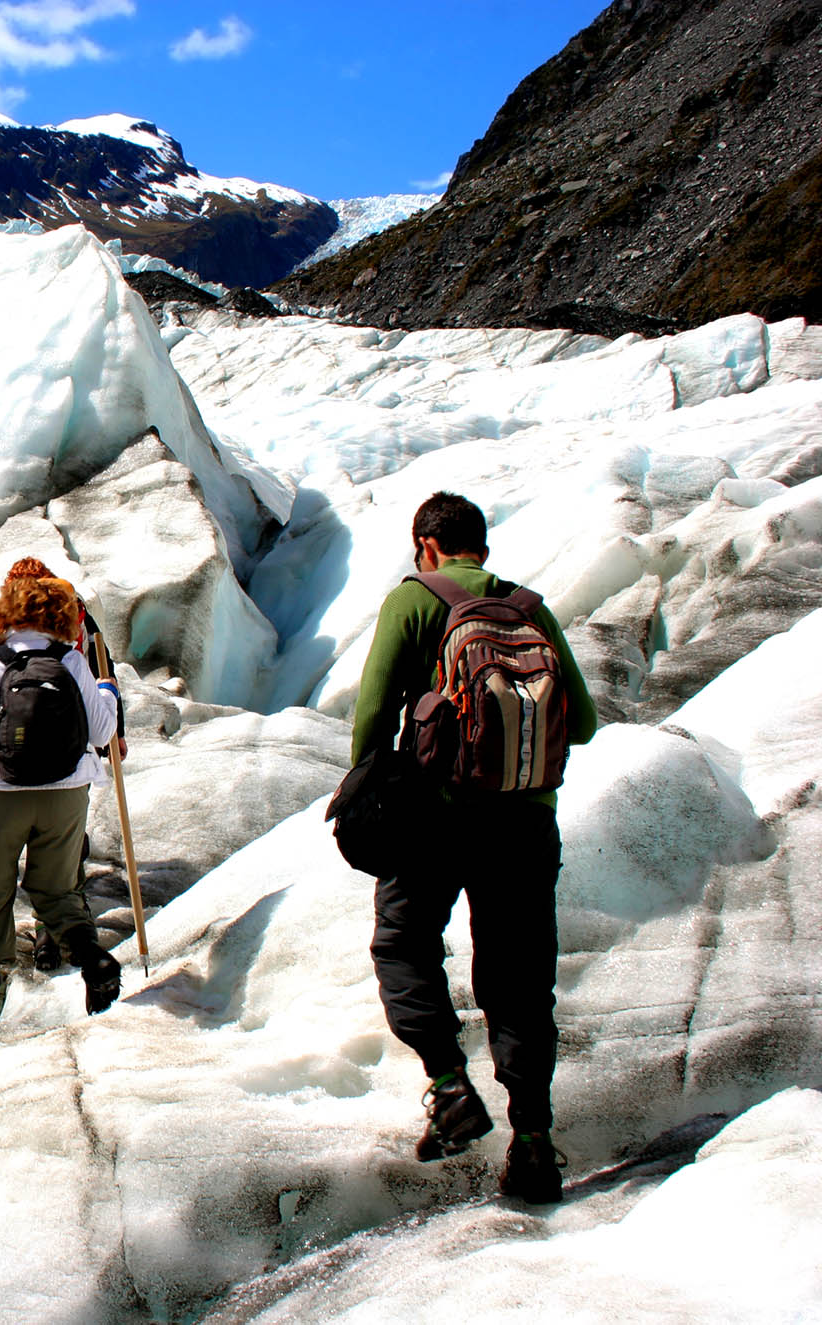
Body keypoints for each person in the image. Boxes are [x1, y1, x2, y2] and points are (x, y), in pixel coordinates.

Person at [351, 491, 597, 1204]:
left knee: (403, 946)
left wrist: (369, 790)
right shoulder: (527, 609)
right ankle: (534, 1143)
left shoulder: (415, 600)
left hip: (434, 818)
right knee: (521, 979)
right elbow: (578, 719)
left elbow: (372, 710)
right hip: (524, 823)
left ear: (427, 545)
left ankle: (450, 1085)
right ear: (480, 546)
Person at [0, 572, 122, 1029]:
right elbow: (102, 733)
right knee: (56, 889)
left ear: (8, 612)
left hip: (4, 792)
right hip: (66, 792)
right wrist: (108, 693)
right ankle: (92, 958)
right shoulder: (72, 660)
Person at [2, 557, 127, 972]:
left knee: (43, 840)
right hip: (74, 741)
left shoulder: (23, 620)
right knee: (64, 837)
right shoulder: (77, 614)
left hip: (23, 748)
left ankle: (48, 931)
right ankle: (57, 923)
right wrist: (114, 730)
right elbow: (103, 670)